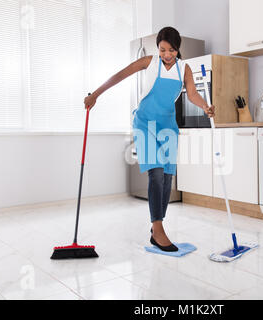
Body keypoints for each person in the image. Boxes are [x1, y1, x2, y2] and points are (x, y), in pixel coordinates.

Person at [84, 27, 215, 252]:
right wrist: (95, 94)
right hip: (145, 123)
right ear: (158, 48)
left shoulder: (184, 69)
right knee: (155, 174)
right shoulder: (149, 62)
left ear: (178, 49)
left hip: (168, 127)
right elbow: (120, 75)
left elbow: (192, 94)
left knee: (166, 179)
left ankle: (156, 229)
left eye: (171, 50)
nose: (166, 54)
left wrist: (205, 106)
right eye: (162, 49)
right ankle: (158, 227)